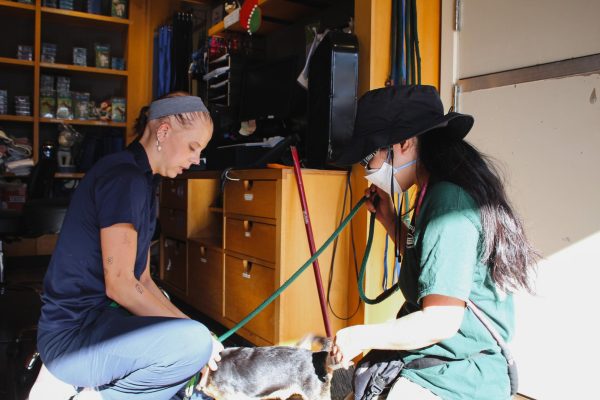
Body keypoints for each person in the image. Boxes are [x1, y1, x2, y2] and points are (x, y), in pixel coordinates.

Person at [331, 85, 538, 400]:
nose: (368, 172)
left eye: (368, 158)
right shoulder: (434, 192)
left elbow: (439, 321)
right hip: (437, 356)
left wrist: (360, 335)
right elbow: (432, 267)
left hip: (458, 372)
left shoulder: (448, 205)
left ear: (404, 143)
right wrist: (389, 220)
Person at [34, 93, 223, 400]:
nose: (195, 159)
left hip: (102, 324)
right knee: (192, 346)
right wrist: (199, 339)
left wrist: (200, 331)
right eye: (193, 147)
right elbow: (120, 285)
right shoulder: (124, 178)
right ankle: (92, 395)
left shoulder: (144, 184)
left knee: (195, 340)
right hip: (74, 339)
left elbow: (143, 280)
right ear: (163, 132)